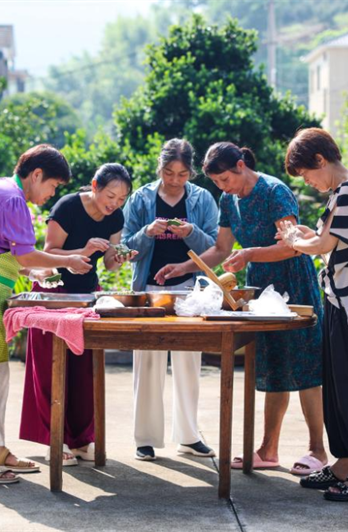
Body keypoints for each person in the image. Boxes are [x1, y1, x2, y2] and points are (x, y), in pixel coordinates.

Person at [157, 142, 327, 476]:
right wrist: (182, 268)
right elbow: (222, 249)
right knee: (272, 365)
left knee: (306, 366)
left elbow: (292, 247)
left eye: (224, 179)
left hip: (295, 286)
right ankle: (268, 449)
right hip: (262, 292)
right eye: (217, 182)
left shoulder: (275, 191)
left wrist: (248, 254)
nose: (222, 187)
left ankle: (318, 450)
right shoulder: (228, 199)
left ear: (240, 165)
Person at [0, 144, 92, 485]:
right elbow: (25, 255)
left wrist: (33, 273)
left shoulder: (8, 192)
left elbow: (11, 253)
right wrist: (67, 260)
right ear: (36, 174)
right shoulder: (12, 197)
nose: (51, 194)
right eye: (53, 186)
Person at [278, 128, 348, 502]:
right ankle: (345, 464)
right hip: (344, 298)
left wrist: (295, 240)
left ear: (321, 160)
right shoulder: (345, 191)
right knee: (340, 385)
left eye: (307, 174)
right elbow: (331, 242)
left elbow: (323, 245)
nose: (308, 182)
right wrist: (304, 236)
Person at [20, 163, 136, 466]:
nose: (114, 204)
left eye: (121, 199)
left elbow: (109, 263)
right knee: (50, 367)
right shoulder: (68, 206)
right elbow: (48, 252)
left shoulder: (116, 217)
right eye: (111, 195)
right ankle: (54, 440)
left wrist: (119, 256)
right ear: (95, 186)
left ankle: (82, 439)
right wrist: (83, 251)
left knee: (84, 369)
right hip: (53, 292)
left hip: (86, 296)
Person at [122, 138, 219, 461]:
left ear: (191, 173)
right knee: (147, 362)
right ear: (159, 168)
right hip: (148, 288)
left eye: (182, 174)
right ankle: (145, 438)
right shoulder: (141, 199)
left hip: (190, 288)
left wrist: (190, 231)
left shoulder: (203, 199)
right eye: (168, 172)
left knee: (188, 363)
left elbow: (215, 248)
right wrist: (147, 232)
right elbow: (125, 248)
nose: (175, 180)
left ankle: (189, 436)